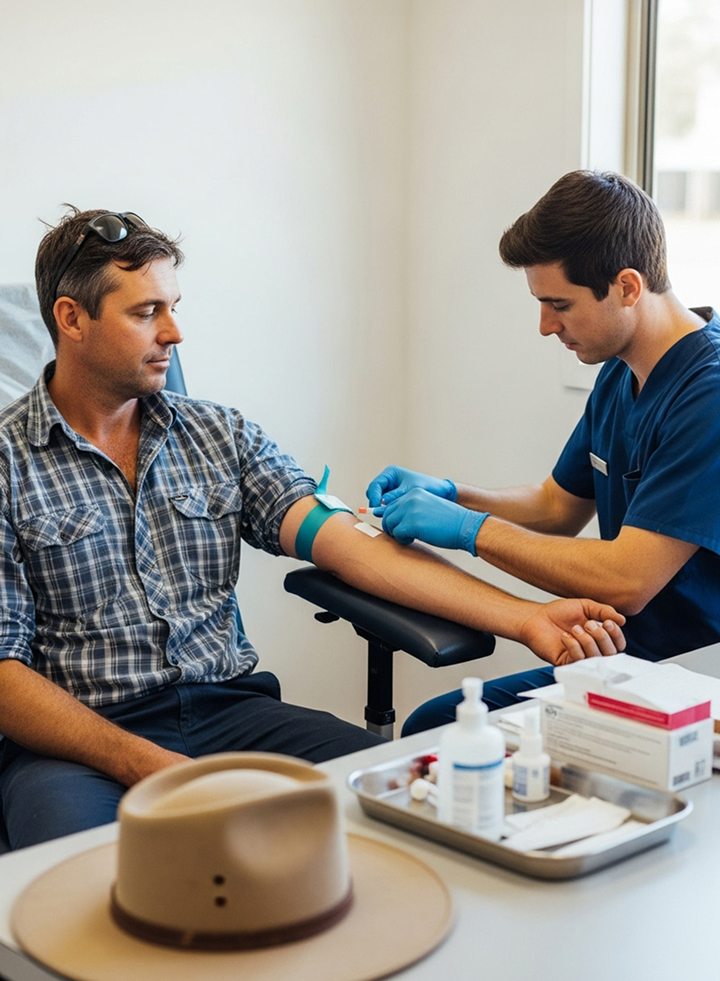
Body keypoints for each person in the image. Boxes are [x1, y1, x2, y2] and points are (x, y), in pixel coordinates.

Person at [0, 206, 625, 849]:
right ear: (71, 319)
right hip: (78, 745)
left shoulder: (219, 434)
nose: (175, 333)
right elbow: (3, 674)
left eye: (173, 306)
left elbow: (353, 548)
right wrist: (148, 765)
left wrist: (525, 618)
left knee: (402, 815)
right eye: (145, 313)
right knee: (77, 882)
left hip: (231, 715)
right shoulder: (6, 465)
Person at [366, 169, 720, 732]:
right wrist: (451, 492)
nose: (545, 325)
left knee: (438, 733)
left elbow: (627, 580)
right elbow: (558, 504)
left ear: (627, 287)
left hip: (691, 678)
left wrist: (467, 528)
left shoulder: (708, 395)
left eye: (560, 304)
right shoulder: (621, 370)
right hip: (624, 661)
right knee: (439, 725)